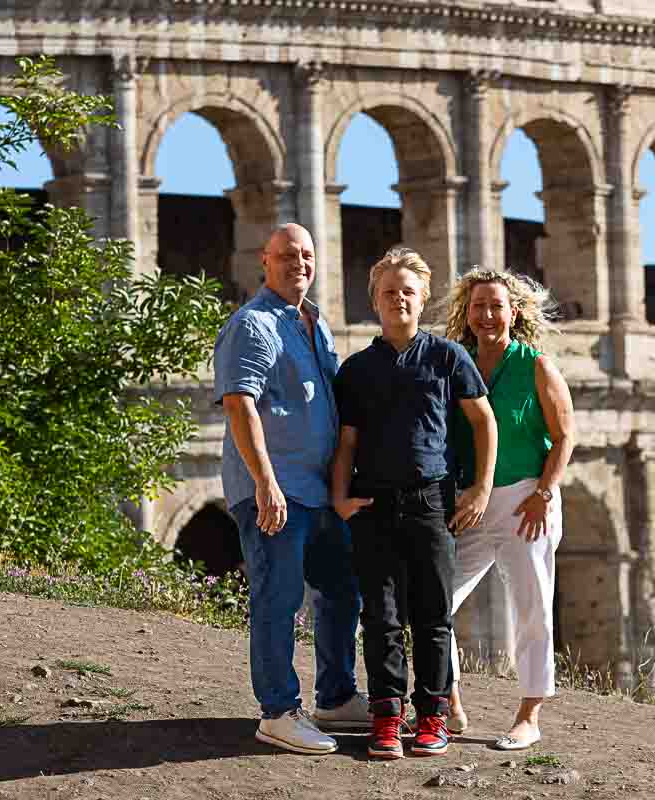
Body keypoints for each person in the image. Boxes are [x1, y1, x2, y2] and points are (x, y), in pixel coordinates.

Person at [331, 247, 498, 760]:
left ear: (423, 298)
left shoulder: (449, 357)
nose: (398, 298)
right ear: (374, 301)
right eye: (388, 291)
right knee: (379, 617)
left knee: (432, 615)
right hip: (374, 504)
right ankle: (386, 717)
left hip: (431, 501)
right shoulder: (357, 368)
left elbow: (483, 422)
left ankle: (431, 717)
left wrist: (480, 489)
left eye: (408, 291)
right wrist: (339, 498)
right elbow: (347, 443)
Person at [213, 223, 368, 755]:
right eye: (286, 255)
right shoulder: (253, 325)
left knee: (342, 589)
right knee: (278, 599)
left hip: (316, 489)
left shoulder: (314, 324)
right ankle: (278, 711)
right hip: (276, 490)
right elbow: (240, 403)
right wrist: (265, 483)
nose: (297, 263)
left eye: (306, 255)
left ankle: (336, 695)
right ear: (264, 260)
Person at [443, 267, 576, 751]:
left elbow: (564, 437)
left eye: (496, 306)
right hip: (472, 501)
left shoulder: (536, 365)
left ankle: (529, 715)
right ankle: (449, 699)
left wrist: (543, 493)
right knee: (435, 599)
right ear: (467, 312)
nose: (487, 315)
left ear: (513, 312)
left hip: (525, 500)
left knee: (532, 606)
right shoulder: (457, 364)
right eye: (478, 306)